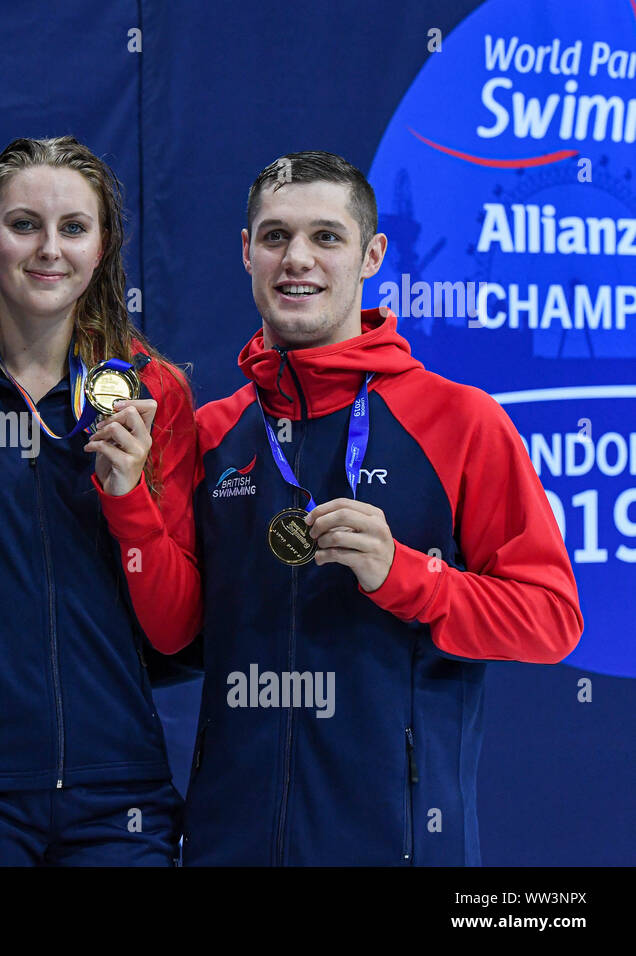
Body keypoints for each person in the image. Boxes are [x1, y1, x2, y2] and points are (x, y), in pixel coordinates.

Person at [184, 150, 583, 866]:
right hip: (229, 843)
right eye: (274, 237)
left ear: (371, 256)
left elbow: (551, 620)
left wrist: (409, 577)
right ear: (246, 253)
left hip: (399, 845)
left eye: (326, 237)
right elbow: (175, 635)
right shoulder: (213, 433)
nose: (296, 259)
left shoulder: (461, 421)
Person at [0, 136, 200, 866]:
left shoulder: (154, 391)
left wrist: (129, 501)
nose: (49, 249)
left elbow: (176, 630)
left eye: (74, 228)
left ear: (103, 245)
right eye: (24, 225)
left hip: (119, 794)